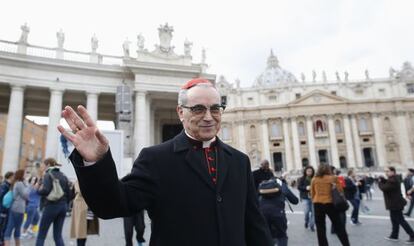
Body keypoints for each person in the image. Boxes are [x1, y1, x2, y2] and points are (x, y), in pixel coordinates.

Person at [59, 78, 274, 246]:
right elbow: (114, 204)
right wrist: (96, 162)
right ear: (181, 112)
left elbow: (254, 224)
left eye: (215, 108)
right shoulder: (156, 159)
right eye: (198, 109)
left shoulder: (239, 161)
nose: (209, 116)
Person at [35, 158, 71, 246]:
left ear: (48, 165)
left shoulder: (48, 175)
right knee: (58, 236)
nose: (42, 167)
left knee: (41, 235)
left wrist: (37, 190)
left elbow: (45, 190)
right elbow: (70, 194)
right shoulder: (63, 175)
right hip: (63, 207)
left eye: (43, 165)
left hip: (51, 206)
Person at [311, 165, 350, 246]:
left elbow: (312, 193)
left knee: (320, 228)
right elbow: (340, 191)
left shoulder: (314, 179)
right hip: (330, 203)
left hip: (317, 203)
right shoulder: (333, 178)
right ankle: (346, 244)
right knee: (338, 225)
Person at [259, 177, 298, 246]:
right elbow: (295, 201)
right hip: (278, 213)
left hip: (263, 212)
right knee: (282, 236)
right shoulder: (282, 185)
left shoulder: (263, 185)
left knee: (267, 236)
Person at [379, 166, 414, 243]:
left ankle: (412, 235)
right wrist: (383, 179)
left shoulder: (393, 180)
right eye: (385, 171)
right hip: (394, 204)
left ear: (393, 172)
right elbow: (388, 182)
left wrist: (380, 182)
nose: (386, 173)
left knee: (401, 220)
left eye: (387, 171)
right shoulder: (394, 178)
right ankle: (394, 235)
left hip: (395, 204)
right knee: (394, 220)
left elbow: (384, 188)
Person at [4, 169, 29, 246]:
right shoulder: (20, 184)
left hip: (15, 208)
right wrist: (27, 185)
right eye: (25, 173)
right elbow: (25, 195)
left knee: (12, 228)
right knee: (14, 228)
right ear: (21, 175)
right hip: (18, 209)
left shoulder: (17, 183)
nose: (26, 175)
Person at [70, 180, 99, 246]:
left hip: (83, 209)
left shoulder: (79, 181)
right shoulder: (89, 180)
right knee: (82, 233)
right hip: (85, 209)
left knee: (81, 234)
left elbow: (74, 193)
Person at [297, 166, 315, 231]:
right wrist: (306, 188)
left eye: (311, 171)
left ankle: (312, 225)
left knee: (314, 212)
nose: (309, 172)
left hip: (314, 197)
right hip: (305, 197)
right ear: (305, 171)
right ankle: (306, 221)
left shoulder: (315, 178)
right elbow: (299, 187)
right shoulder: (301, 179)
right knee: (306, 212)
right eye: (308, 171)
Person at [0, 172, 14, 246]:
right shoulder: (4, 185)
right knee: (2, 226)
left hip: (6, 209)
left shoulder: (8, 185)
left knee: (4, 225)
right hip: (3, 210)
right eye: (13, 176)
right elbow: (1, 198)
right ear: (10, 176)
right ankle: (1, 241)